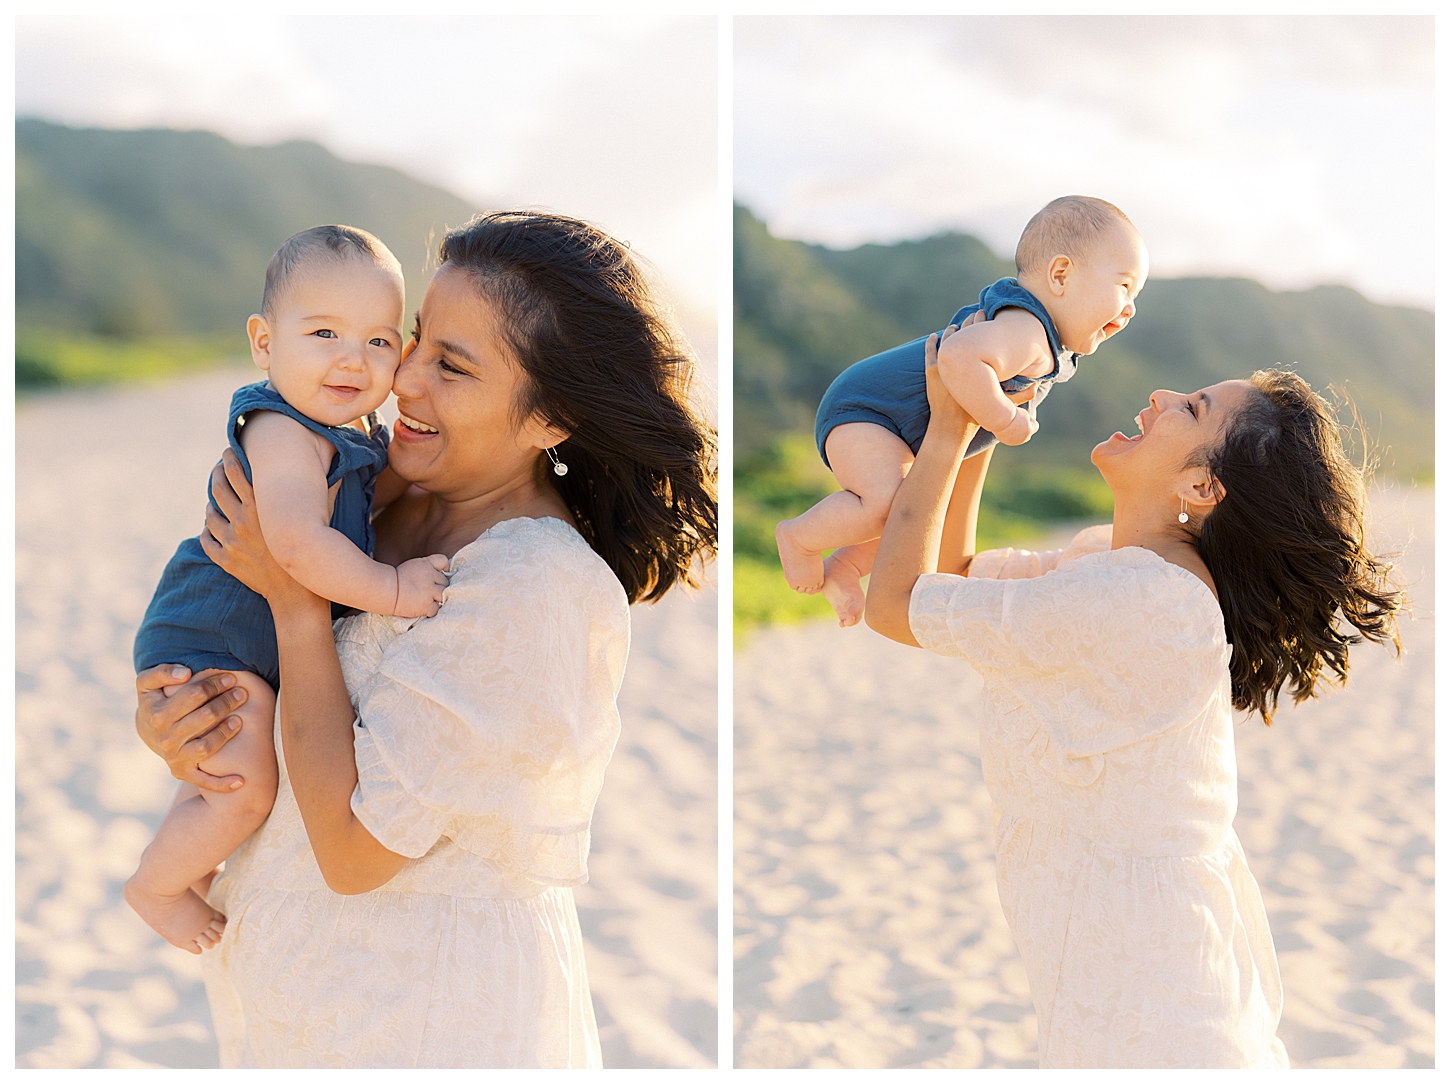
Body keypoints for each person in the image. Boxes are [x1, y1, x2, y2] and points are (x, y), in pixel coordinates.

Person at [132, 211, 717, 1068]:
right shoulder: (364, 493)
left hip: (427, 1019)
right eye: (414, 342)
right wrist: (183, 718)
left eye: (453, 366)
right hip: (294, 1007)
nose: (402, 380)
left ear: (550, 419)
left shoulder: (532, 589)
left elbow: (355, 853)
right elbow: (237, 641)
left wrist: (296, 606)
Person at [864, 327, 1401, 1068]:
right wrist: (981, 423)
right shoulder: (1113, 567)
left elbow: (897, 606)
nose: (1161, 396)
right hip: (1118, 978)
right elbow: (954, 572)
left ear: (1202, 488)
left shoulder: (1141, 599)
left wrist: (950, 424)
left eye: (1191, 407)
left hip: (1153, 1008)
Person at [127, 224, 449, 955]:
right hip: (213, 634)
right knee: (243, 786)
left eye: (378, 340)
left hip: (247, 638)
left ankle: (191, 856)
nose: (353, 358)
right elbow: (298, 545)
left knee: (223, 771)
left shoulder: (351, 430)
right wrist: (392, 588)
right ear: (265, 344)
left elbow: (365, 497)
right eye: (325, 333)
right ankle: (156, 885)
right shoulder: (279, 429)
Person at [776, 195, 1148, 627]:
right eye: (1124, 286)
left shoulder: (1037, 337)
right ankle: (798, 538)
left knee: (912, 512)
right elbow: (956, 358)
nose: (1130, 307)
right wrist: (1006, 421)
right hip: (867, 411)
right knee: (885, 505)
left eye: (1135, 295)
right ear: (1061, 274)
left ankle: (845, 565)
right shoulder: (1026, 330)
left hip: (890, 423)